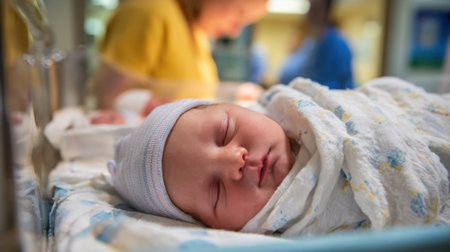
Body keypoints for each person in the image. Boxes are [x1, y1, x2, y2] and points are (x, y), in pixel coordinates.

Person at [108, 77, 449, 236]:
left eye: (225, 132)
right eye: (215, 192)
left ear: (239, 108)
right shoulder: (292, 225)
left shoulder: (299, 110)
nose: (234, 162)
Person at [90, 0, 268, 111]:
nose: (236, 32)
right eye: (240, 13)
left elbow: (193, 92)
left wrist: (235, 94)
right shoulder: (150, 10)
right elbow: (106, 100)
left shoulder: (197, 31)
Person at [279, 0, 354, 89]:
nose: (309, 14)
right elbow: (301, 74)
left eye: (315, 9)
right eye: (310, 8)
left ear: (326, 13)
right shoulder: (312, 43)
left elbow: (333, 85)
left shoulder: (337, 45)